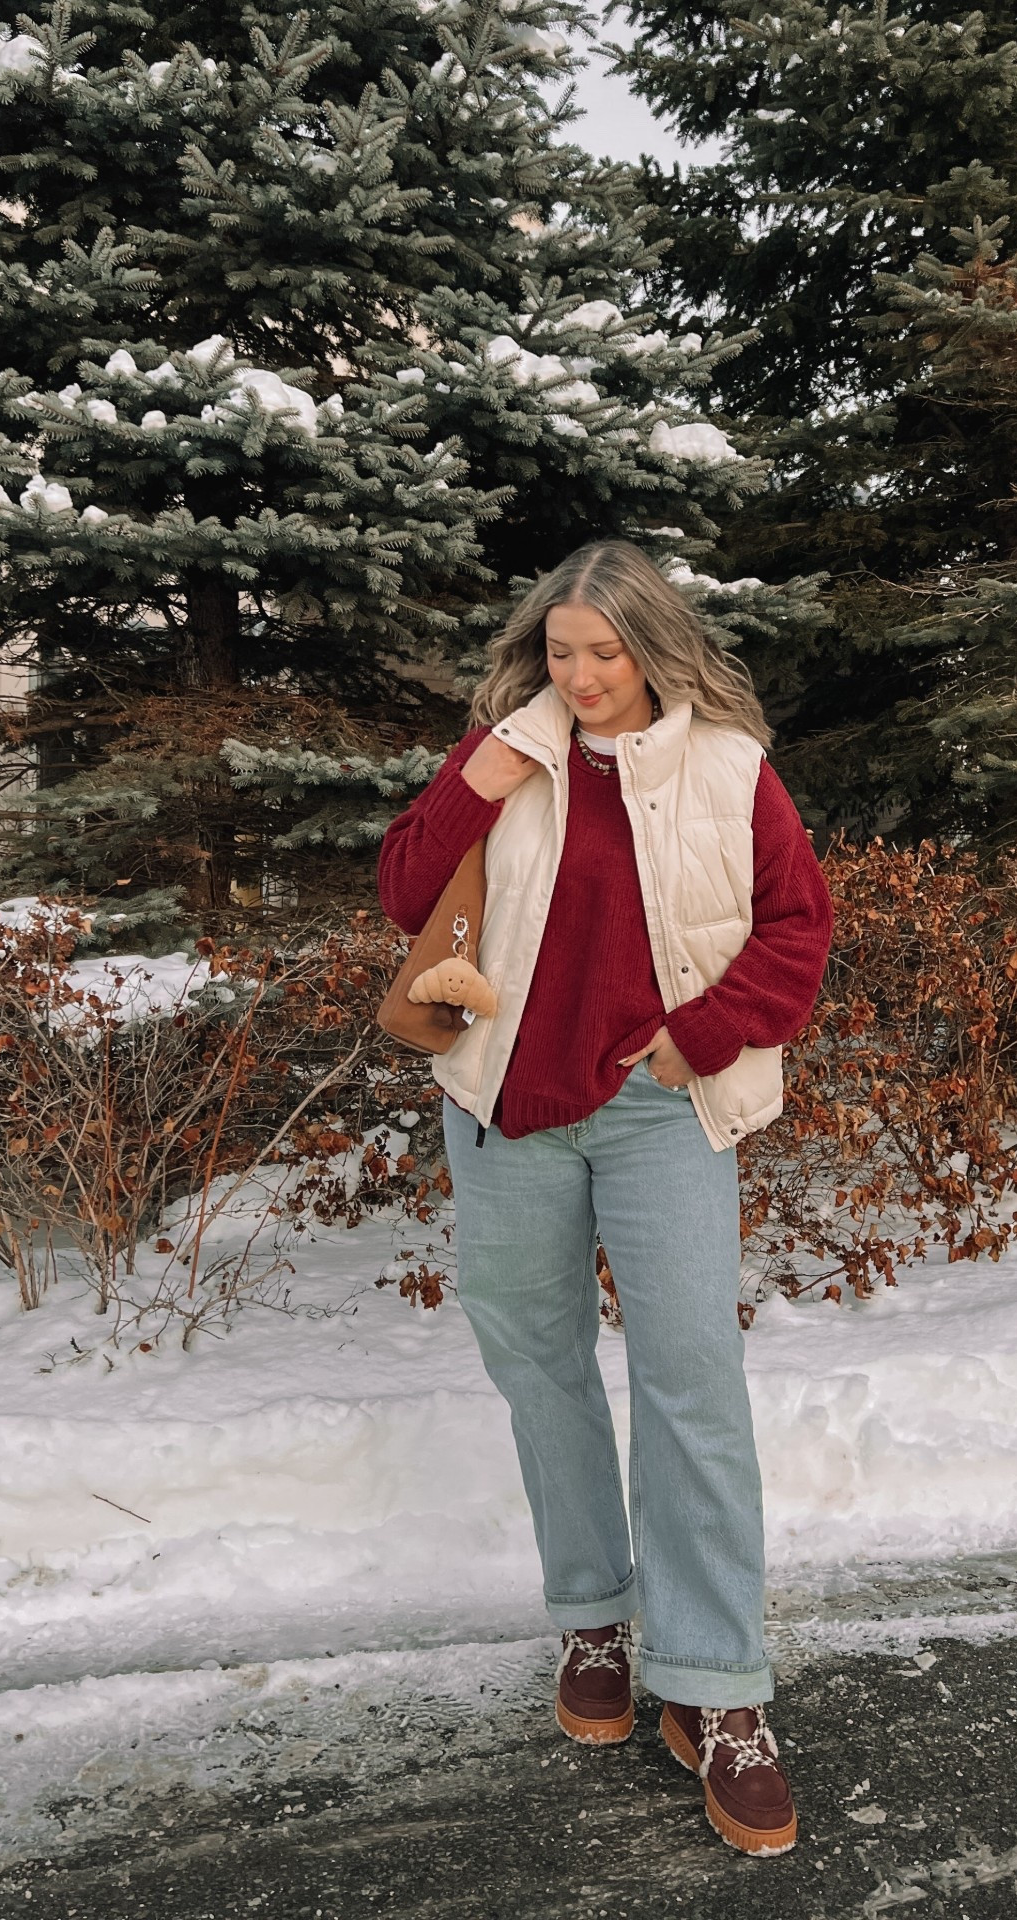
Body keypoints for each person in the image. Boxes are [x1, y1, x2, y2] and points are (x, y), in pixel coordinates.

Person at [377, 537, 833, 1857]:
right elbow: (405, 893)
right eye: (561, 652)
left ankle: (719, 1684)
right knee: (543, 1367)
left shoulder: (728, 768)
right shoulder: (506, 752)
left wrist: (704, 1033)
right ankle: (592, 1619)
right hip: (504, 1108)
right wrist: (476, 778)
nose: (581, 677)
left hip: (660, 1111)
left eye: (606, 652)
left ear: (656, 647)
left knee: (693, 1381)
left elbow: (797, 927)